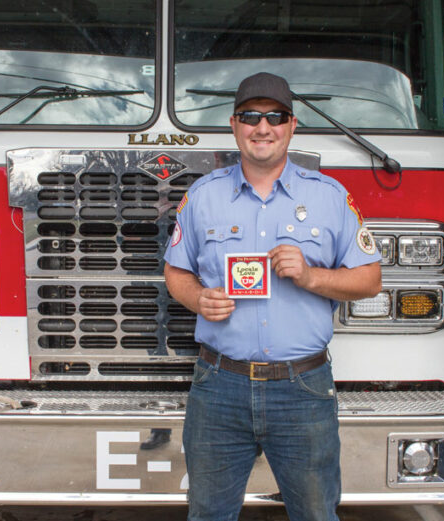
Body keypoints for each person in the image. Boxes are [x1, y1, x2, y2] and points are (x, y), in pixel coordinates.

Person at [163, 72, 382, 521]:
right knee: (207, 515)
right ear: (234, 125)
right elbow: (175, 271)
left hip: (302, 389)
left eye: (275, 116)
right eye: (250, 116)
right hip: (219, 387)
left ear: (292, 125)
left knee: (317, 515)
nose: (263, 127)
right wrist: (198, 298)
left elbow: (370, 279)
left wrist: (311, 277)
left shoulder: (331, 197)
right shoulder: (202, 197)